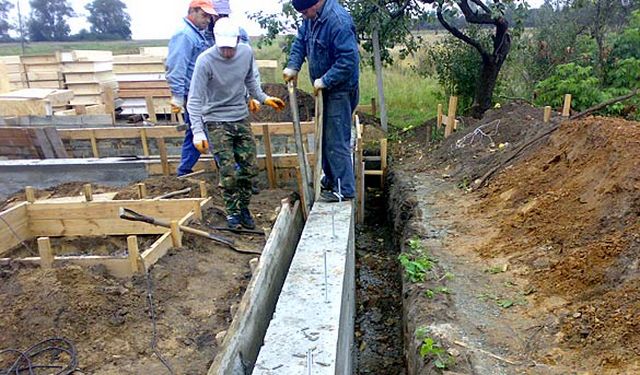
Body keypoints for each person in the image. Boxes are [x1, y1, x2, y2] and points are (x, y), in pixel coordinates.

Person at [187, 18, 286, 229]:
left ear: (237, 41)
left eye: (230, 48)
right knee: (228, 170)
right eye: (222, 48)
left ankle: (244, 208)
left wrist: (263, 98)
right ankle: (232, 213)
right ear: (216, 41)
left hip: (240, 117)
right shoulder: (205, 61)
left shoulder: (245, 53)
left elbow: (251, 81)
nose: (227, 53)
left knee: (249, 168)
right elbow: (194, 99)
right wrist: (198, 132)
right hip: (215, 120)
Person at [283, 0, 360, 202]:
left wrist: (326, 80)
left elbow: (349, 60)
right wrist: (293, 66)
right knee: (324, 137)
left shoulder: (338, 21)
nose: (304, 15)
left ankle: (344, 189)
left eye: (306, 11)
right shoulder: (311, 18)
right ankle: (331, 179)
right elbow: (300, 42)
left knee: (335, 139)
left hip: (340, 90)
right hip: (324, 90)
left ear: (317, 3)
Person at [166, 0, 217, 177]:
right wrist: (178, 95)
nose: (208, 20)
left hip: (202, 92)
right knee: (211, 129)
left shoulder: (197, 34)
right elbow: (176, 66)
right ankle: (230, 172)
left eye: (209, 17)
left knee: (194, 131)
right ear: (192, 11)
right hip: (193, 94)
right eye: (204, 15)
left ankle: (183, 171)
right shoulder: (185, 35)